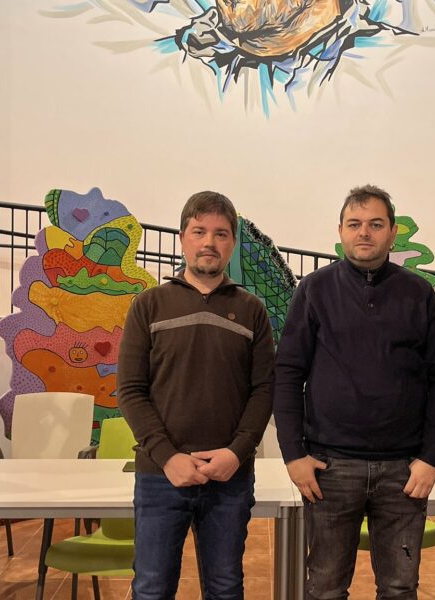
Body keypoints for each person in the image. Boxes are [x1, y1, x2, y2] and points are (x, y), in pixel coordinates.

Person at [273, 184, 435, 599]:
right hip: (329, 468)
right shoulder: (314, 290)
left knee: (399, 589)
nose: (364, 233)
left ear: (392, 233)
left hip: (404, 471)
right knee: (325, 589)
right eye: (354, 224)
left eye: (375, 224)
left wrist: (431, 458)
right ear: (340, 230)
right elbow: (287, 373)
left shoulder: (418, 294)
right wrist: (293, 454)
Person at [117, 191, 274, 600]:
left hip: (229, 478)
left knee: (225, 588)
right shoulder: (148, 305)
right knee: (151, 589)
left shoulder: (253, 311)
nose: (209, 242)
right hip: (160, 476)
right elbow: (130, 390)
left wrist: (236, 453)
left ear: (232, 243)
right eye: (199, 231)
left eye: (221, 234)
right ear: (182, 238)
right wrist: (167, 457)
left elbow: (263, 391)